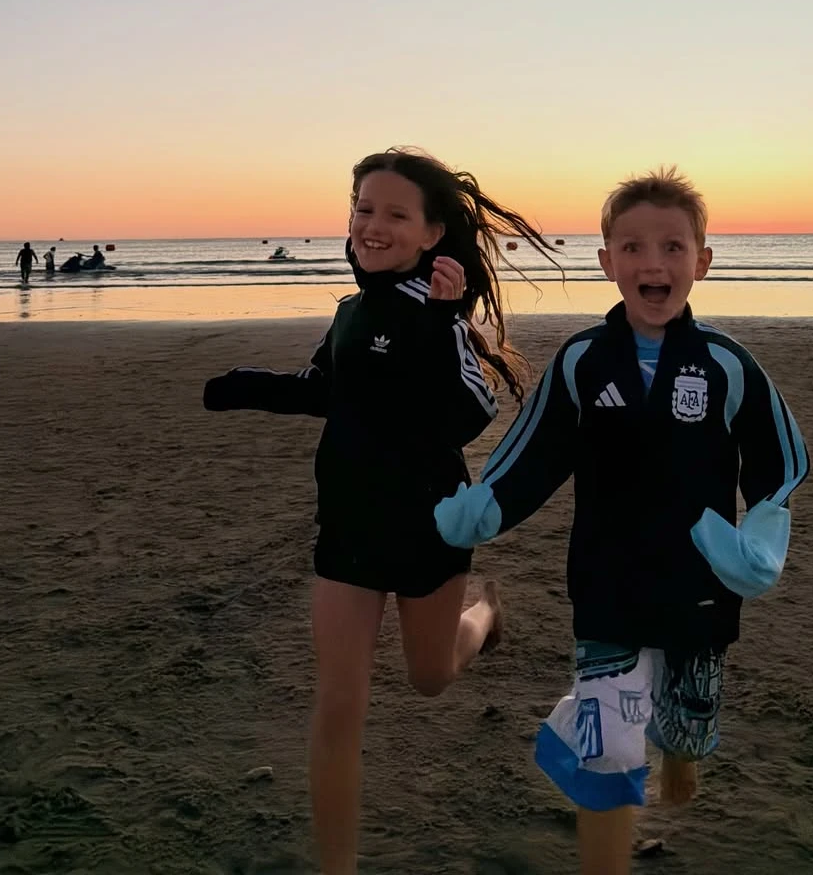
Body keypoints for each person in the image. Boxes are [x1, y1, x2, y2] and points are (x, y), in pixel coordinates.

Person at [436, 168, 810, 875]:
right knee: (610, 743)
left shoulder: (727, 365)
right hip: (607, 584)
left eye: (673, 247)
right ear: (608, 261)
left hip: (700, 586)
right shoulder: (583, 360)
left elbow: (779, 454)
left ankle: (680, 750)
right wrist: (486, 506)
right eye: (633, 248)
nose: (653, 263)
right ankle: (608, 819)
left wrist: (761, 529)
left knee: (687, 728)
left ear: (702, 261)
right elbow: (533, 453)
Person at [203, 148, 556, 875]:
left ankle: (482, 618)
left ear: (430, 235)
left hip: (429, 529)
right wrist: (244, 386)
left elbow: (468, 414)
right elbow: (325, 390)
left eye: (395, 213)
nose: (373, 224)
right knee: (339, 705)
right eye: (364, 208)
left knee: (429, 679)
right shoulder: (349, 314)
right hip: (349, 529)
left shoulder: (441, 318)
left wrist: (440, 322)